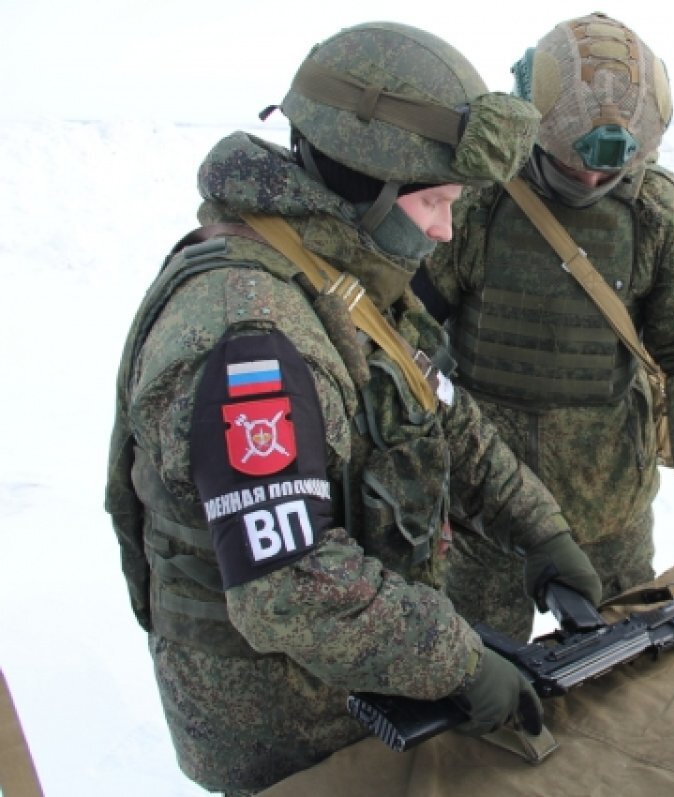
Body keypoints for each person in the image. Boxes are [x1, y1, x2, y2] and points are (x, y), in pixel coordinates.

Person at [104, 22, 603, 794]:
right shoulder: (250, 337)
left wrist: (541, 531)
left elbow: (437, 411)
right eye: (434, 201)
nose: (443, 230)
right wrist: (459, 661)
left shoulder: (340, 271)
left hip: (360, 691)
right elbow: (292, 584)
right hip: (283, 730)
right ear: (365, 181)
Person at [412, 12, 674, 641]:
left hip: (610, 519)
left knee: (617, 684)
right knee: (481, 691)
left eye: (610, 172)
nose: (592, 182)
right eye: (572, 167)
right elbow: (405, 338)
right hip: (482, 515)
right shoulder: (476, 201)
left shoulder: (654, 210)